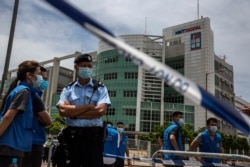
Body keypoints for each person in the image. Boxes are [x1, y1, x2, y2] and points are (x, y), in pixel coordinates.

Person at [57, 53, 111, 167]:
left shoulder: (100, 88)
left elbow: (100, 111)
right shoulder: (68, 88)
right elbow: (62, 111)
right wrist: (88, 107)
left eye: (90, 66)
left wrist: (73, 113)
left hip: (93, 138)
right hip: (72, 137)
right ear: (76, 67)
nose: (87, 68)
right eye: (84, 65)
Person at [0, 60, 41, 166]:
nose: (40, 78)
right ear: (29, 75)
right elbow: (8, 116)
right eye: (38, 74)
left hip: (13, 144)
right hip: (11, 146)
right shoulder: (24, 91)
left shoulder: (20, 90)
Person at [21, 66, 52, 167]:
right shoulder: (32, 94)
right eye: (42, 78)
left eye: (45, 79)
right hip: (32, 141)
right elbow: (48, 120)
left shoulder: (33, 93)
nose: (44, 81)